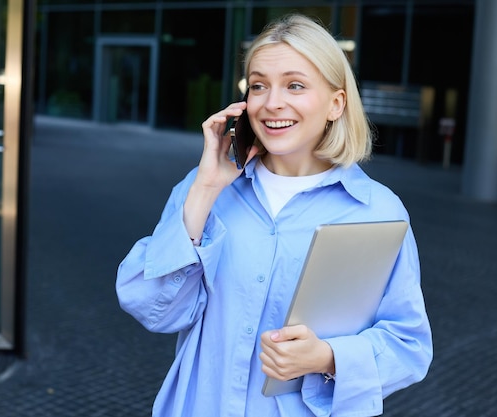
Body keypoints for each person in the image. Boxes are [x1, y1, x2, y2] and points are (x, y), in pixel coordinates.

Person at [116, 13, 432, 417]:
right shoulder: (205, 189)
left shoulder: (377, 211)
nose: (272, 103)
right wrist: (205, 191)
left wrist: (327, 357)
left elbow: (409, 345)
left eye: (295, 85)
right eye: (259, 85)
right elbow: (149, 305)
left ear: (336, 103)